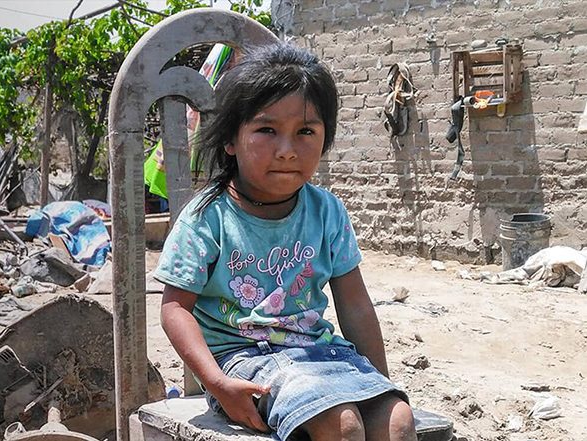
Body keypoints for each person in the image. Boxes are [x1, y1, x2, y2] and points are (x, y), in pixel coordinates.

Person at [155, 42, 417, 441]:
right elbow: (175, 309)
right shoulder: (209, 217)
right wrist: (215, 383)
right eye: (266, 130)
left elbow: (356, 305)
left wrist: (376, 384)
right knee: (343, 426)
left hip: (322, 355)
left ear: (325, 139)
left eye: (305, 132)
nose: (287, 151)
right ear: (230, 140)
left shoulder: (326, 211)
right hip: (243, 362)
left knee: (397, 421)